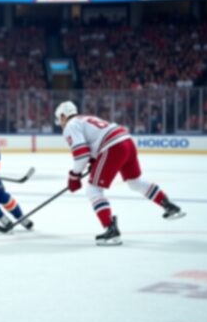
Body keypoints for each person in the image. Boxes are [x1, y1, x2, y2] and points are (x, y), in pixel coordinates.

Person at [55, 101, 185, 246]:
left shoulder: (71, 125)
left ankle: (111, 230)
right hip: (126, 141)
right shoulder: (86, 118)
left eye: (60, 119)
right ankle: (169, 206)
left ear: (63, 116)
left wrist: (74, 176)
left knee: (93, 189)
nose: (60, 123)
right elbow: (94, 144)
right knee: (135, 182)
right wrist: (94, 161)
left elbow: (81, 155)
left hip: (113, 146)